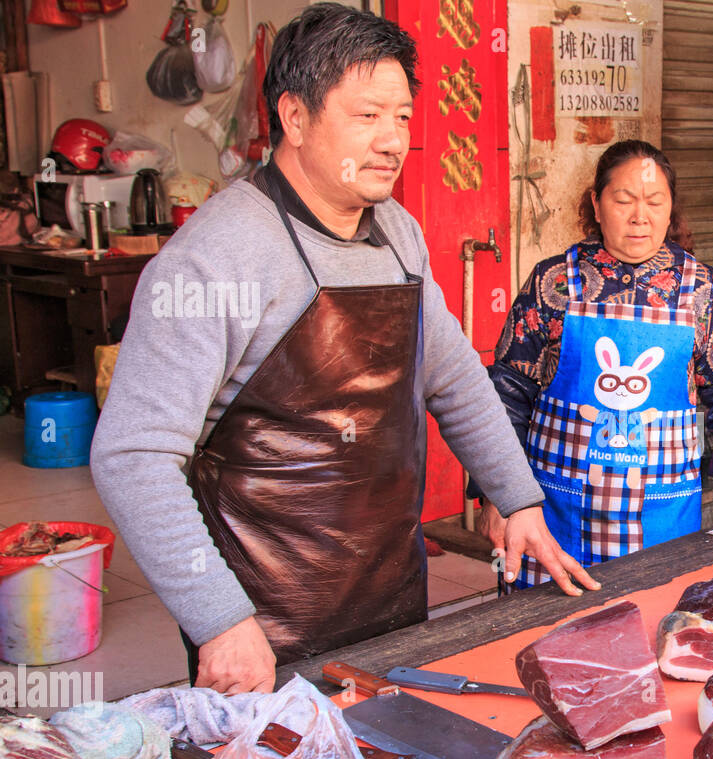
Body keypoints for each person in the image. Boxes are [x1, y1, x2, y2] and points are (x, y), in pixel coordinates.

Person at [90, 4, 596, 695]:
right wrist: (218, 620)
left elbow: (451, 376)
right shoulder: (218, 258)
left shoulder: (397, 232)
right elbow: (134, 453)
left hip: (392, 589)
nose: (393, 141)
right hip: (266, 623)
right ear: (295, 118)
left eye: (403, 118)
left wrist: (518, 498)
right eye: (368, 117)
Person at [474, 140, 713, 585]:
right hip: (555, 516)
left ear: (670, 208)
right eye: (623, 201)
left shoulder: (700, 287)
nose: (640, 216)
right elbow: (506, 395)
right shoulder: (553, 282)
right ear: (597, 205)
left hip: (662, 517)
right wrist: (499, 495)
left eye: (655, 202)